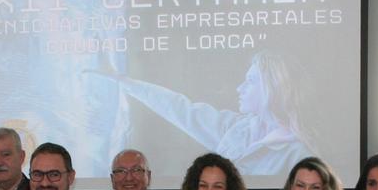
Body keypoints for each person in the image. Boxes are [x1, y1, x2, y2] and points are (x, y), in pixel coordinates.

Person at [90, 51, 315, 176]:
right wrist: (123, 81)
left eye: (250, 81)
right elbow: (178, 107)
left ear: (271, 88)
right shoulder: (234, 128)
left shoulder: (297, 153)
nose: (240, 88)